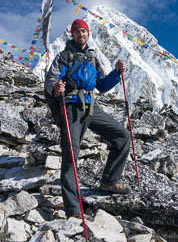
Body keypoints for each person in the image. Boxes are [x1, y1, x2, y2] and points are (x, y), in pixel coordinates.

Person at [45, 19, 130, 218]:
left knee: (122, 135)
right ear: (72, 35)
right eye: (77, 32)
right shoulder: (64, 57)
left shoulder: (92, 59)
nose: (81, 34)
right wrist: (56, 88)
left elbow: (101, 85)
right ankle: (73, 210)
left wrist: (116, 73)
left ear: (88, 34)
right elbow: (51, 79)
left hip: (91, 106)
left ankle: (109, 180)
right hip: (72, 106)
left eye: (84, 31)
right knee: (71, 157)